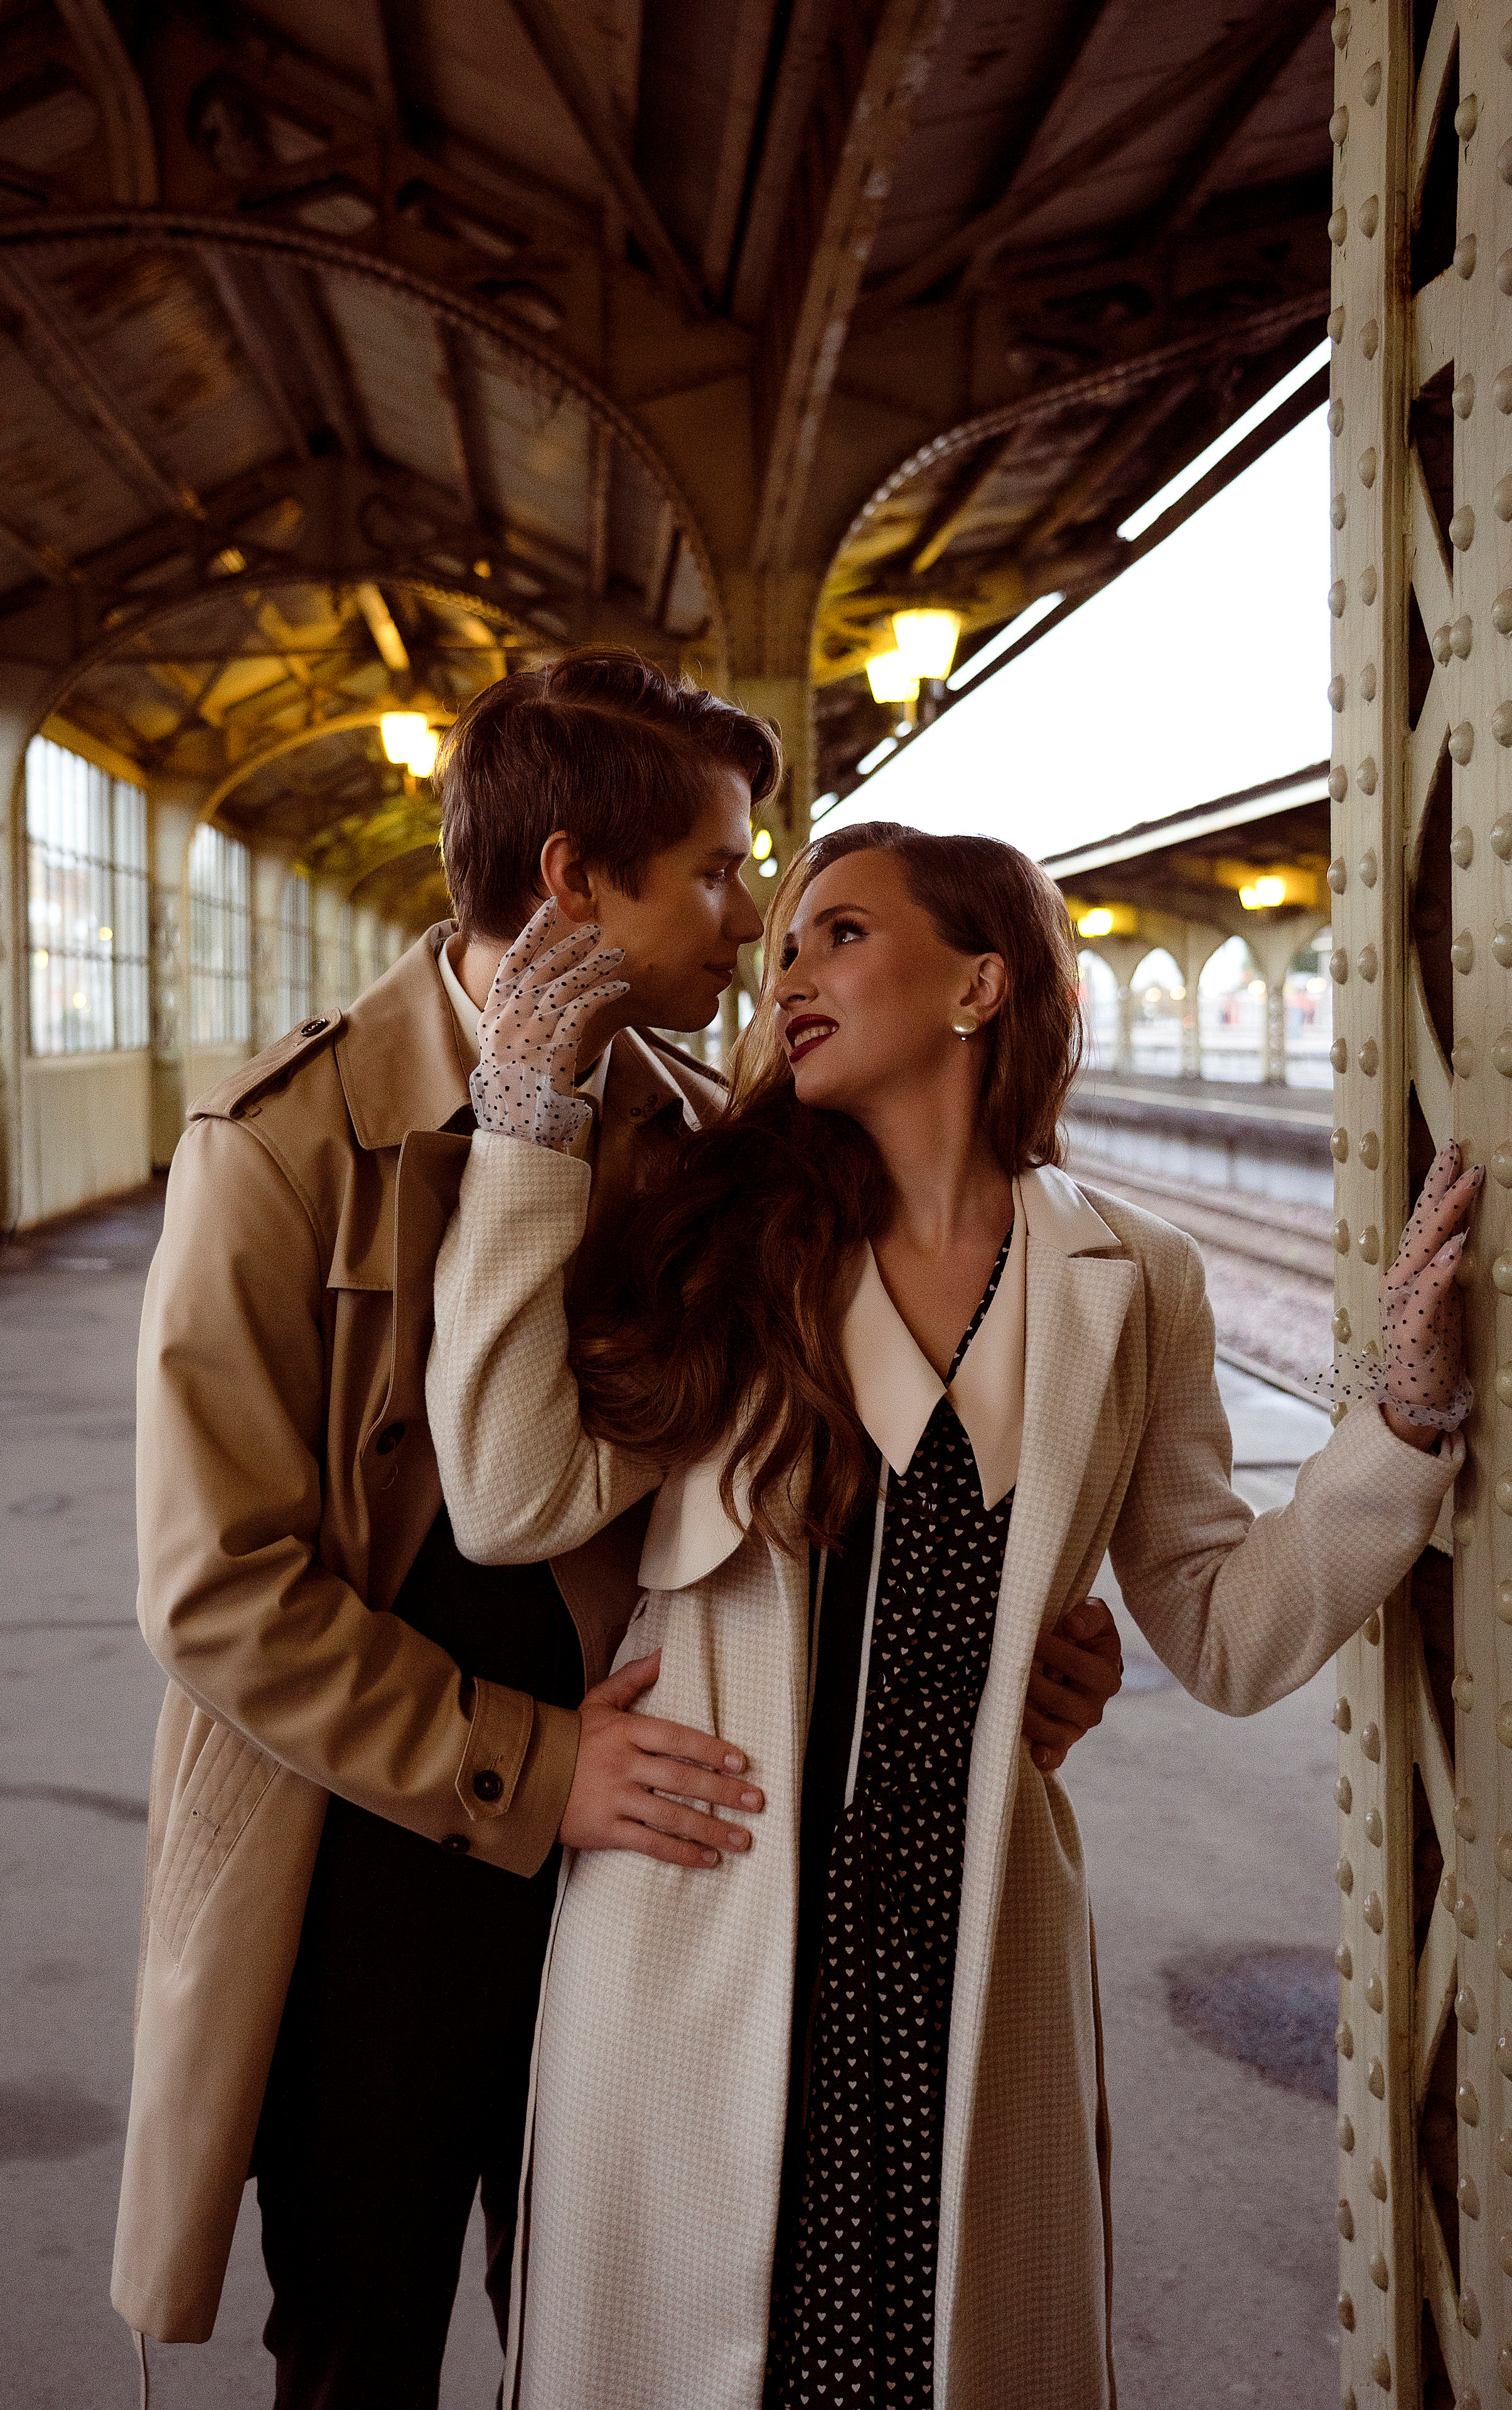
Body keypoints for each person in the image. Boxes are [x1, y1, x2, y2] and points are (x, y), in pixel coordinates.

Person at [109, 655, 1120, 2403]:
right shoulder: (283, 1148)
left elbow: (809, 1439)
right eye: (725, 872)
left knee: (612, 2323)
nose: (755, 926)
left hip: (647, 1850)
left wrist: (1002, 1630)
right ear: (576, 880)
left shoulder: (697, 1147)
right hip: (366, 1865)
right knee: (360, 2329)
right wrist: (531, 1769)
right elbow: (217, 1593)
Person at [427, 819, 1476, 2410]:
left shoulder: (1136, 1277)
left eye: (838, 934)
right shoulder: (730, 1246)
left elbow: (1221, 1625)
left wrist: (1391, 1427)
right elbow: (508, 1498)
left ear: (981, 983)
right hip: (704, 1928)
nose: (786, 972)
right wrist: (525, 1124)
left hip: (969, 1956)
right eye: (781, 943)